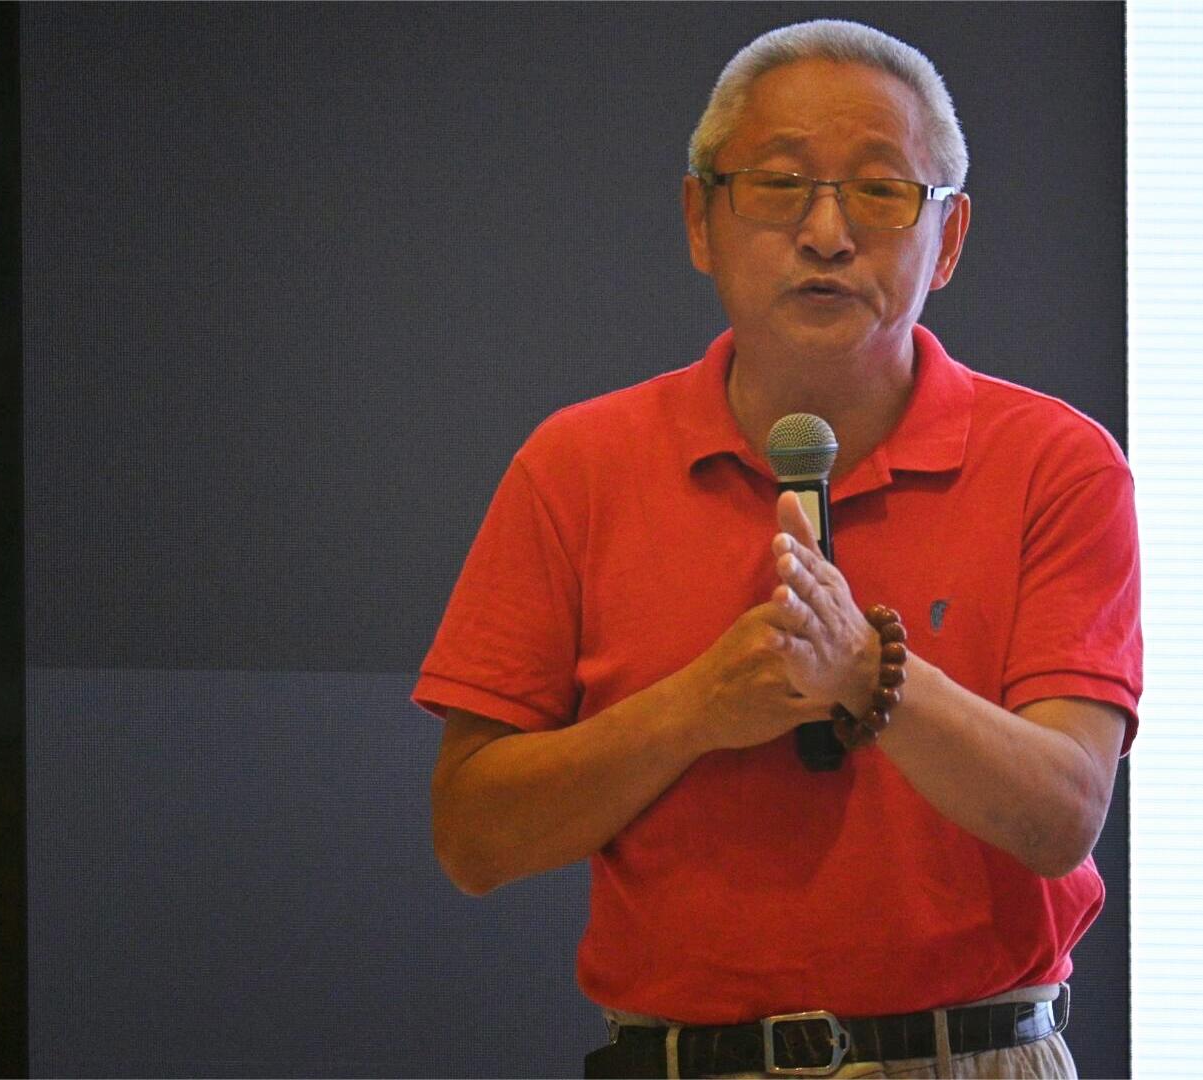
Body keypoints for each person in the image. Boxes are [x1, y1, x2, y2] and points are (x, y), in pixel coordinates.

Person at [416, 19, 1139, 1079]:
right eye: (780, 185)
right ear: (699, 220)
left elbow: (1063, 816)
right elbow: (473, 839)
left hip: (973, 1053)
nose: (827, 233)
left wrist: (869, 674)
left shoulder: (1056, 464)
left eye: (881, 190)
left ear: (949, 239)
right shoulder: (576, 466)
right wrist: (696, 709)